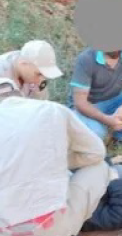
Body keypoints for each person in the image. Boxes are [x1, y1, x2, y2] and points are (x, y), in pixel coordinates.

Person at [0, 80, 110, 236]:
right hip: (47, 227)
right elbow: (96, 153)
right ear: (20, 95)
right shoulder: (50, 109)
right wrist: (56, 162)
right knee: (100, 167)